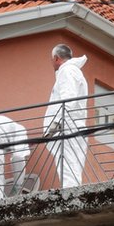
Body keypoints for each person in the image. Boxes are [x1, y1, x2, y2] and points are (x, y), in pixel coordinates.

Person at [43, 44, 88, 189]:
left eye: (52, 60)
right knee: (73, 164)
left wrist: (56, 123)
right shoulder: (74, 72)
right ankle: (73, 193)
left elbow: (68, 97)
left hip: (66, 126)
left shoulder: (66, 71)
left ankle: (69, 196)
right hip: (73, 125)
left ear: (56, 58)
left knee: (68, 164)